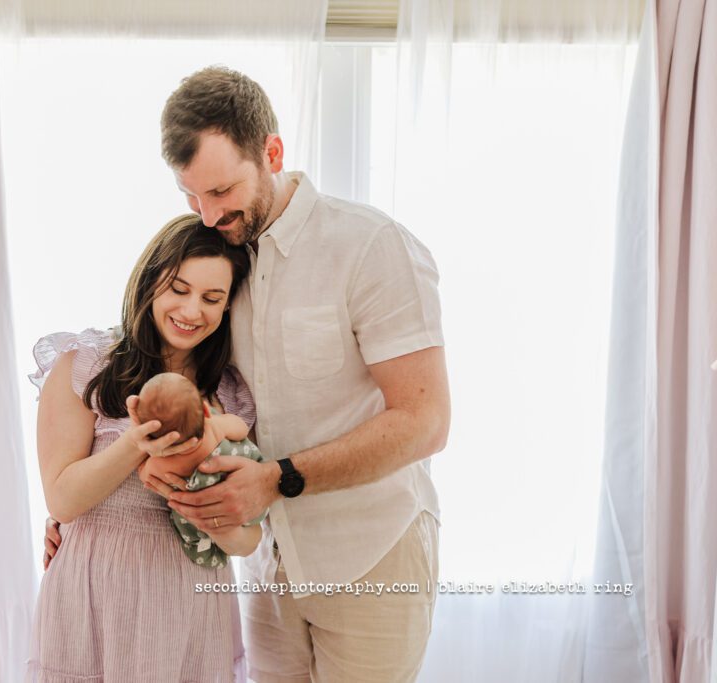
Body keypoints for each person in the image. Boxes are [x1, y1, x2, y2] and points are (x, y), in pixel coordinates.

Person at [46, 66, 451, 682]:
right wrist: (81, 514)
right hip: (266, 566)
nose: (207, 215)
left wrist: (279, 478)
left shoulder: (371, 247)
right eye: (191, 196)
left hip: (371, 556)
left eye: (221, 191)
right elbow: (174, 376)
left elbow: (426, 421)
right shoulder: (223, 260)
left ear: (273, 153)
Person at [28, 213, 255, 682]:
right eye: (179, 289)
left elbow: (248, 537)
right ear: (150, 282)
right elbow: (62, 500)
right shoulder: (87, 365)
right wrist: (137, 442)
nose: (192, 311)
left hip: (190, 594)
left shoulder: (231, 397)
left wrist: (201, 509)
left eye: (212, 298)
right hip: (95, 591)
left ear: (229, 306)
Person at [135, 372, 266, 568]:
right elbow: (241, 429)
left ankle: (205, 547)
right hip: (247, 498)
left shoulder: (162, 464)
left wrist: (148, 456)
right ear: (206, 410)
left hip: (207, 516)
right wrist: (223, 422)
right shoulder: (215, 427)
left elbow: (144, 473)